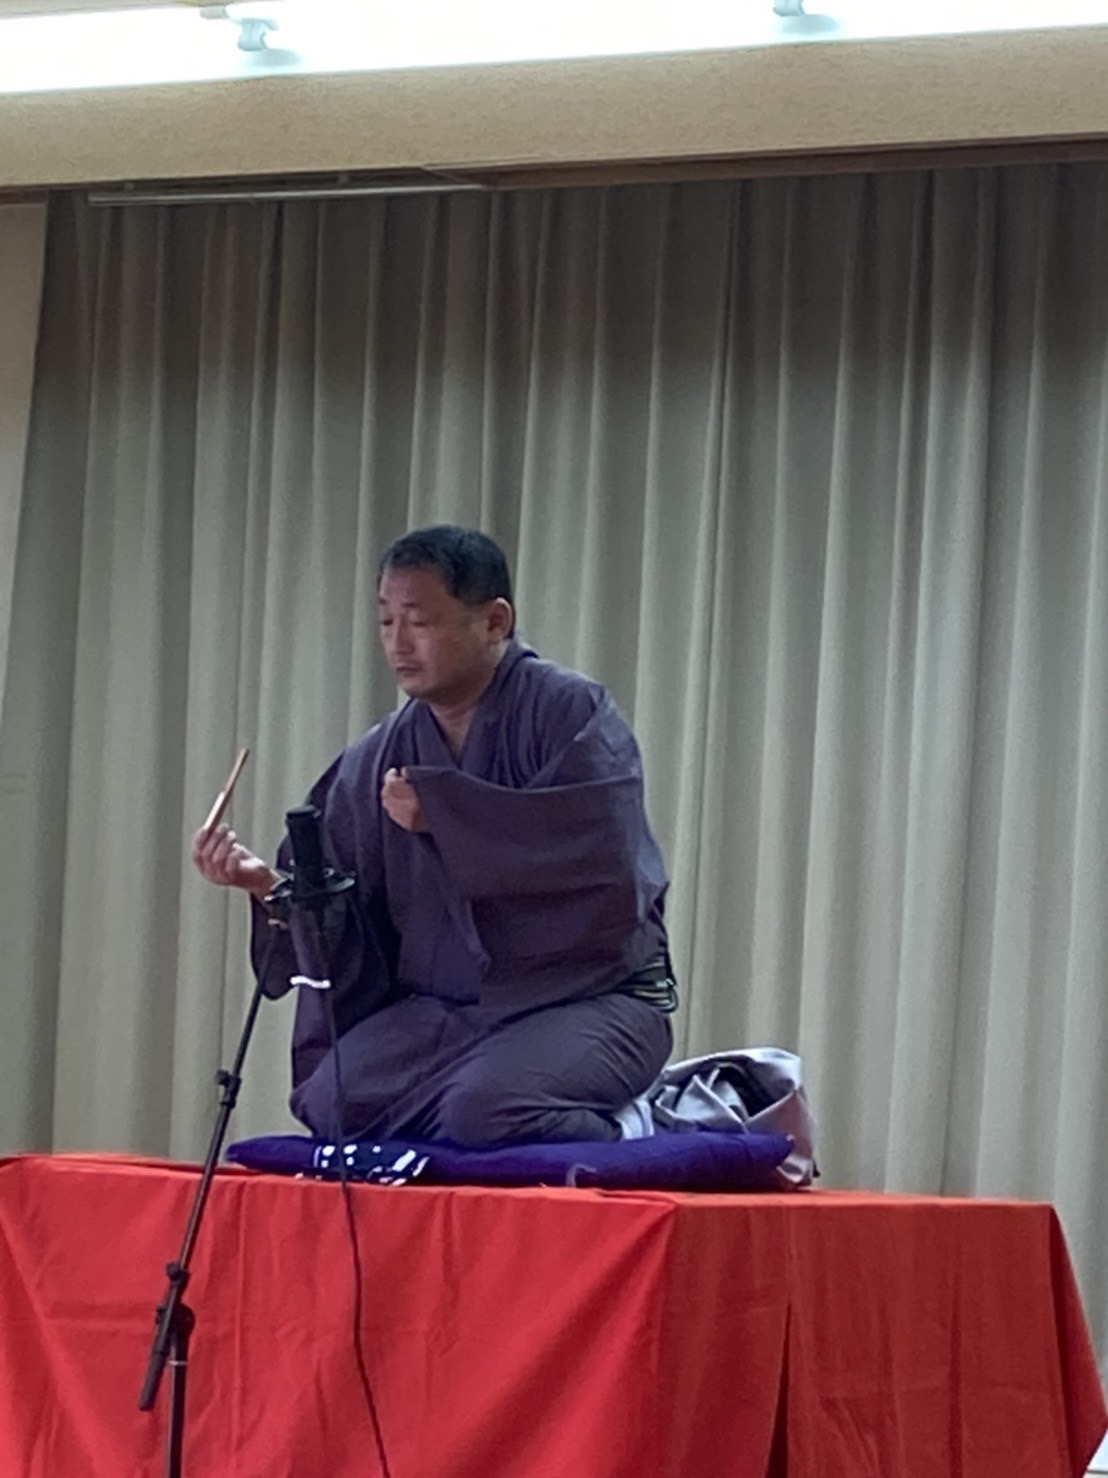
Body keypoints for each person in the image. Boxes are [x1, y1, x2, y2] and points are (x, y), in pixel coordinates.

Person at [192, 525, 675, 1149]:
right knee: (332, 1099)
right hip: (450, 1015)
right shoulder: (379, 756)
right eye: (386, 621)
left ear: (495, 621)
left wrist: (448, 816)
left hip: (594, 1000)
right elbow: (348, 918)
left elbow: (603, 861)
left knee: (484, 1111)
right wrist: (268, 886)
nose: (398, 643)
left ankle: (640, 1124)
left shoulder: (569, 712)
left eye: (419, 621)